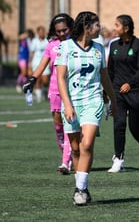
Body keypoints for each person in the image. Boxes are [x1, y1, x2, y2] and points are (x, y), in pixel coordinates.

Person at [55, 11, 117, 206]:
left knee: (87, 144)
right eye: (97, 25)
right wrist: (67, 104)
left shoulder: (99, 48)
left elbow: (104, 77)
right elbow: (60, 78)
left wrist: (113, 100)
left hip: (93, 101)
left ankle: (80, 189)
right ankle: (82, 184)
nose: (101, 28)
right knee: (75, 149)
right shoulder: (65, 47)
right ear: (87, 27)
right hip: (72, 103)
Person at [23, 14, 75, 175]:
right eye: (58, 31)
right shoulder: (51, 45)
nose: (62, 33)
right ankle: (67, 154)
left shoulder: (76, 44)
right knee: (58, 124)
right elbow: (42, 64)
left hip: (72, 90)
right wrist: (32, 79)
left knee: (69, 124)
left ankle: (66, 161)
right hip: (54, 88)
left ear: (71, 28)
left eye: (65, 30)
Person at [106, 15, 139, 173]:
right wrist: (106, 91)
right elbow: (110, 70)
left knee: (135, 128)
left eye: (117, 25)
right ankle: (118, 159)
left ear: (126, 29)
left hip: (135, 91)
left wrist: (130, 83)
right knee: (118, 124)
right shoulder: (113, 45)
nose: (114, 28)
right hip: (117, 91)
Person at [29, 26, 50, 102]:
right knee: (37, 80)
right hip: (36, 63)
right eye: (40, 32)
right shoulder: (34, 41)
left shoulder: (47, 41)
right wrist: (30, 65)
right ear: (38, 32)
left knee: (45, 80)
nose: (42, 33)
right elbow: (32, 53)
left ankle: (45, 91)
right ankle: (38, 97)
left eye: (43, 31)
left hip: (45, 63)